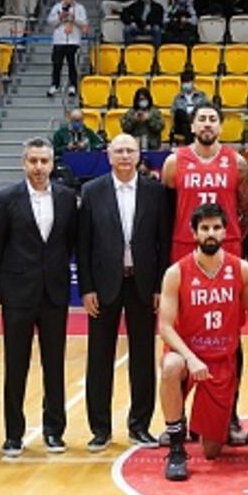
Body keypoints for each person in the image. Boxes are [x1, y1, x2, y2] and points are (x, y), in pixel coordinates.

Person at [78, 134, 170, 451]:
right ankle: (100, 429)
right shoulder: (92, 191)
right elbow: (84, 244)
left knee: (143, 358)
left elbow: (164, 243)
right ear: (108, 155)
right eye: (119, 151)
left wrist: (160, 285)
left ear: (139, 154)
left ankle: (140, 426)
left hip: (143, 285)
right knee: (99, 358)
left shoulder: (156, 192)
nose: (125, 156)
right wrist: (87, 287)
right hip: (104, 285)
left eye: (130, 150)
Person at [0, 137, 78, 457]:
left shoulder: (68, 198)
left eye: (44, 161)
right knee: (16, 366)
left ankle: (54, 431)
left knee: (54, 366)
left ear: (52, 163)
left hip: (54, 293)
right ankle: (14, 435)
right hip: (18, 295)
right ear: (23, 163)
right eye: (33, 161)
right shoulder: (5, 199)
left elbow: (68, 244)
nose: (39, 167)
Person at [157, 203, 248, 480]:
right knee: (171, 366)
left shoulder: (241, 269)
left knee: (213, 450)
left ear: (225, 231)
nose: (210, 233)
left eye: (216, 227)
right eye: (204, 228)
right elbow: (165, 326)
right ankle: (177, 448)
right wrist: (190, 357)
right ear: (194, 232)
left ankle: (214, 423)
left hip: (222, 361)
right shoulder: (176, 273)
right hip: (187, 354)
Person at [163, 103, 248, 262]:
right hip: (186, 243)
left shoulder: (237, 162)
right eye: (202, 119)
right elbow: (167, 209)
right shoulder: (174, 162)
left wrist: (232, 235)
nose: (207, 124)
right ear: (192, 126)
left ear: (220, 128)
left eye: (213, 119)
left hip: (227, 243)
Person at [45, 0, 88, 97]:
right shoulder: (57, 7)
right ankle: (55, 85)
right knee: (57, 64)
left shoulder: (80, 8)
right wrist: (60, 17)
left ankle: (72, 85)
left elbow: (84, 24)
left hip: (73, 40)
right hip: (59, 39)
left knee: (72, 64)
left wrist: (74, 19)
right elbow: (50, 21)